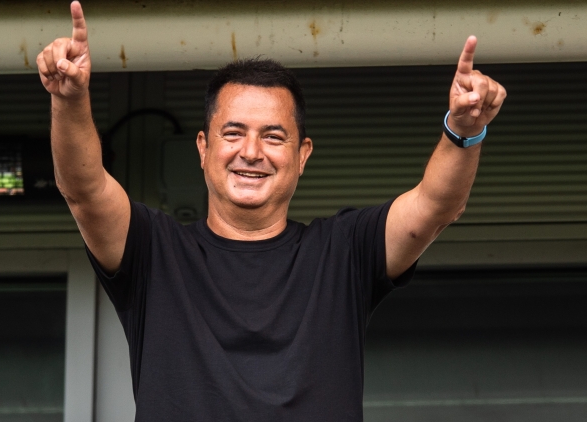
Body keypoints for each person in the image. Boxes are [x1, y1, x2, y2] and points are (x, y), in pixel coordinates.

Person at [37, 2, 506, 421]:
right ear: (202, 148)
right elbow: (83, 189)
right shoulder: (153, 251)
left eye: (273, 137)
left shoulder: (344, 251)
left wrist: (463, 130)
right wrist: (69, 98)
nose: (251, 152)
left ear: (303, 155)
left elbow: (436, 206)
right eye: (233, 133)